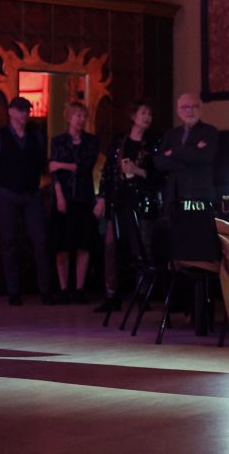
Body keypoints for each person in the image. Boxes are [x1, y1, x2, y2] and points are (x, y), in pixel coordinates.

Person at [0, 96, 54, 306]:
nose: (24, 114)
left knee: (40, 241)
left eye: (27, 110)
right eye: (20, 110)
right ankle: (14, 291)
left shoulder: (36, 136)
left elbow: (42, 165)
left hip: (31, 194)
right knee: (9, 243)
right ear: (11, 112)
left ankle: (45, 290)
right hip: (8, 195)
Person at [92, 99, 160, 313]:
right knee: (112, 247)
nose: (147, 117)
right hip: (119, 200)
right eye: (143, 113)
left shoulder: (153, 143)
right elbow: (108, 171)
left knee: (142, 246)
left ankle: (142, 294)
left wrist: (137, 171)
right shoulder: (119, 141)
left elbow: (158, 175)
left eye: (149, 114)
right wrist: (102, 198)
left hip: (142, 201)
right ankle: (112, 295)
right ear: (133, 116)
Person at [49, 101, 100, 304]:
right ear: (69, 117)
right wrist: (59, 195)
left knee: (83, 244)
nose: (81, 119)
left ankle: (79, 288)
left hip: (84, 197)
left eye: (83, 116)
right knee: (61, 245)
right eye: (77, 115)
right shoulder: (58, 141)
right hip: (64, 197)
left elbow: (85, 167)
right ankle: (63, 288)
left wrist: (61, 164)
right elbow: (53, 174)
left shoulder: (91, 141)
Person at [153, 93, 219, 217]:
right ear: (178, 111)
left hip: (199, 195)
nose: (190, 111)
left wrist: (173, 152)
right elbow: (159, 163)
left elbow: (204, 157)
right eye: (185, 107)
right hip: (174, 195)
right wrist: (192, 152)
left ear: (201, 110)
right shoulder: (171, 134)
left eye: (194, 107)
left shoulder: (209, 131)